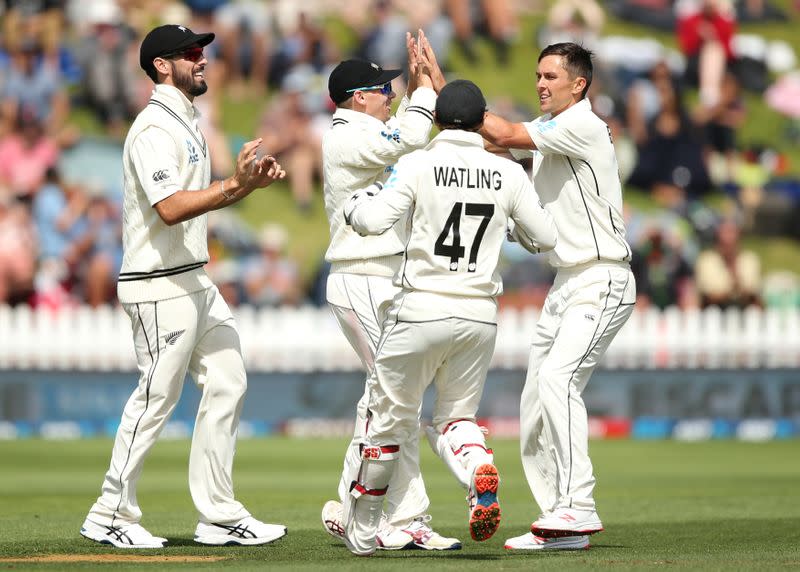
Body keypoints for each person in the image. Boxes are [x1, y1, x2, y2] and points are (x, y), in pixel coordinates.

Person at [80, 24, 288, 549]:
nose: (202, 59)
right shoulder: (154, 128)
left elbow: (203, 201)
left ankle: (218, 514)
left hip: (193, 279)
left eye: (202, 52)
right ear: (160, 66)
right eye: (189, 53)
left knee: (229, 379)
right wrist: (231, 187)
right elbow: (169, 208)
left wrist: (244, 185)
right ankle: (109, 511)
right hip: (157, 286)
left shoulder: (187, 121)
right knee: (156, 397)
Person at [340, 79, 557, 556]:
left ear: (436, 120)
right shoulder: (507, 174)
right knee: (456, 418)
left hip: (420, 307)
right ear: (483, 122)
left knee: (387, 422)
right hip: (479, 314)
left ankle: (363, 532)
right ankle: (476, 464)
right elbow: (544, 238)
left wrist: (353, 206)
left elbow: (374, 221)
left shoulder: (417, 164)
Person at [480, 42, 637, 551]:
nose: (541, 84)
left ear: (579, 85)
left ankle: (579, 506)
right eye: (538, 75)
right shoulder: (553, 137)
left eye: (551, 76)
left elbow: (502, 133)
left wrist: (444, 96)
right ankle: (559, 523)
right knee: (534, 404)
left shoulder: (583, 125)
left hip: (603, 277)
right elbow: (500, 147)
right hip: (566, 282)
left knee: (558, 378)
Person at [318, 32, 459, 551]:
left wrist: (424, 89)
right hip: (360, 277)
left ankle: (348, 504)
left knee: (383, 398)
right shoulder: (346, 133)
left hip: (383, 278)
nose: (391, 94)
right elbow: (411, 138)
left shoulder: (366, 126)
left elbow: (422, 137)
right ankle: (406, 519)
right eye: (383, 88)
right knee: (398, 399)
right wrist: (424, 88)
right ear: (358, 97)